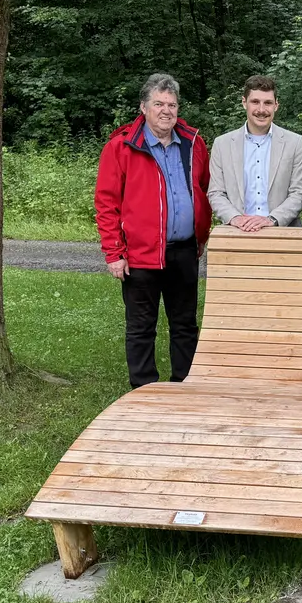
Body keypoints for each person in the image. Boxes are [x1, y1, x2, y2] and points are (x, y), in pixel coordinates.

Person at [93, 73, 212, 388]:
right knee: (141, 327)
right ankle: (143, 389)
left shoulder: (193, 143)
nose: (166, 110)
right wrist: (114, 253)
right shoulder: (121, 147)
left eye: (172, 104)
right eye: (158, 103)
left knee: (185, 325)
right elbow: (106, 203)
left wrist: (202, 233)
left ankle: (184, 386)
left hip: (185, 250)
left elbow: (204, 190)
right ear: (143, 107)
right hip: (140, 254)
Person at [207, 75, 302, 230]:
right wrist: (236, 219)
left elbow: (300, 192)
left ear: (276, 105)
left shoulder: (295, 143)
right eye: (255, 102)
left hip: (282, 234)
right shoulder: (222, 144)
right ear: (244, 103)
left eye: (267, 103)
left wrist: (272, 219)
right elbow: (216, 193)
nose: (261, 110)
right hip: (238, 233)